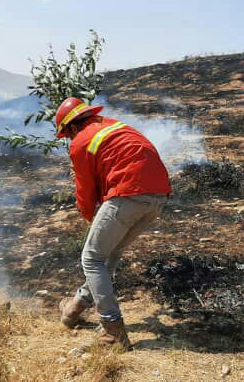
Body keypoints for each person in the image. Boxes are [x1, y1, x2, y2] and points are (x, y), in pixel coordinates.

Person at [53, 97, 172, 349]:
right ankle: (74, 309)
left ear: (72, 127)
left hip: (128, 194)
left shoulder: (80, 142)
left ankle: (112, 333)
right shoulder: (115, 126)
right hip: (158, 196)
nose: (68, 140)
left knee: (92, 258)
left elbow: (85, 190)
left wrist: (88, 217)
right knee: (109, 256)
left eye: (66, 135)